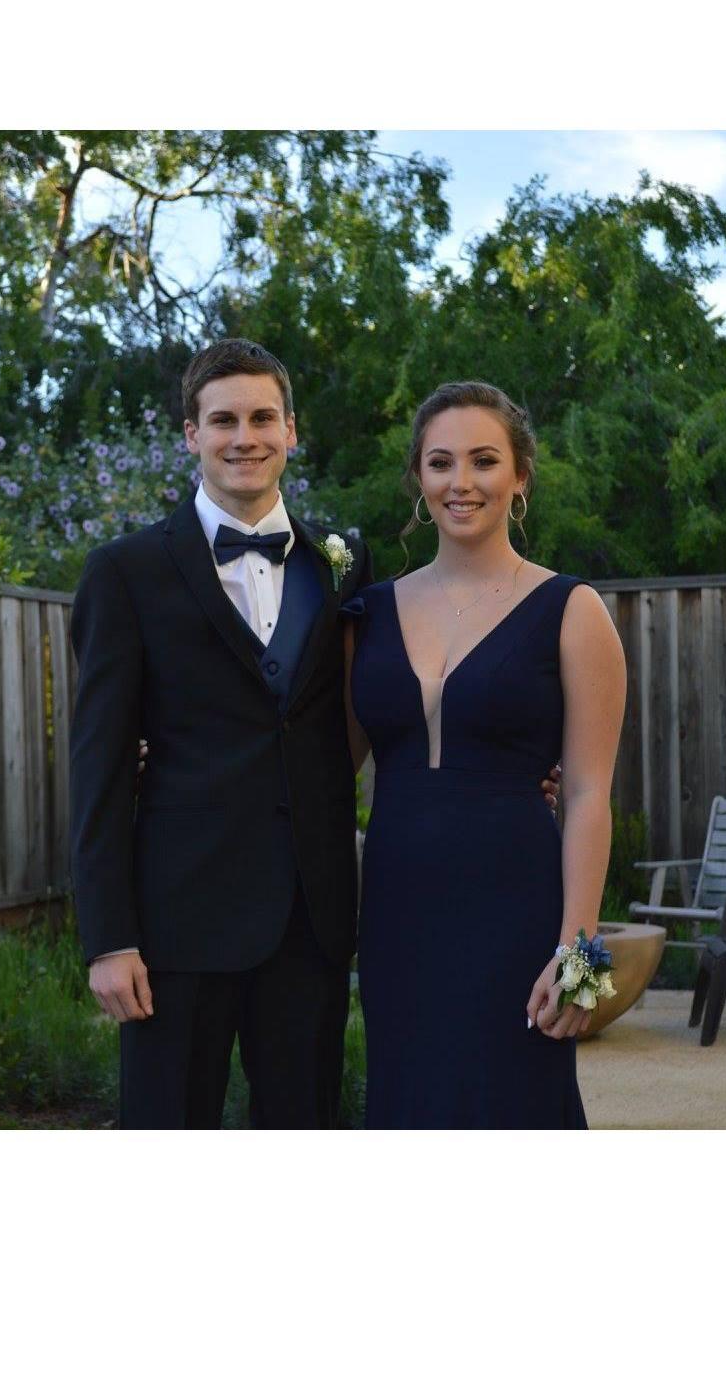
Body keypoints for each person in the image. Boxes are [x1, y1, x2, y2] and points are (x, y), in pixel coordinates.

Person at [69, 341, 559, 1128]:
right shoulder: (124, 573)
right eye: (223, 420)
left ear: (291, 431)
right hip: (175, 928)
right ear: (191, 434)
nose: (245, 437)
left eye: (263, 417)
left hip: (311, 925)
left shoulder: (343, 564)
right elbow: (96, 767)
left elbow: (380, 709)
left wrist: (500, 769)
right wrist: (108, 938)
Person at [341, 381, 626, 1128]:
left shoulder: (572, 610)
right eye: (440, 462)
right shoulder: (367, 613)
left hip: (517, 909)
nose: (460, 482)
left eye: (484, 461)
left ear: (521, 476)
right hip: (397, 914)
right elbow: (320, 767)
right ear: (418, 477)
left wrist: (581, 961)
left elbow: (589, 794)